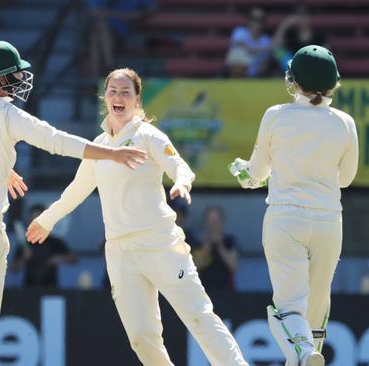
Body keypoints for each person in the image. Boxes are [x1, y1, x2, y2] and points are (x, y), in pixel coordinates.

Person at [0, 41, 147, 365]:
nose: (20, 78)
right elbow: (58, 141)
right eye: (12, 74)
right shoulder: (9, 115)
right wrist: (111, 152)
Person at [27, 67, 247, 365]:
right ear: (104, 97)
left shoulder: (148, 135)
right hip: (120, 252)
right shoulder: (100, 146)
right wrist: (47, 220)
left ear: (137, 98)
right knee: (142, 338)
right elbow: (75, 191)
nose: (118, 97)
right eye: (113, 92)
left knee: (198, 317)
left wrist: (182, 182)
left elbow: (179, 165)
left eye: (125, 92)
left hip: (160, 244)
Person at [229, 45, 358, 365]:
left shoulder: (276, 115)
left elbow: (256, 174)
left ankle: (301, 351)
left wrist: (241, 170)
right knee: (316, 305)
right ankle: (305, 354)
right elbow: (345, 179)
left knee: (288, 307)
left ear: (293, 80)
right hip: (329, 222)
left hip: (285, 218)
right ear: (334, 83)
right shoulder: (345, 122)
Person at [12, 204, 78, 288]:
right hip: (29, 290)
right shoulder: (25, 244)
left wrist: (60, 258)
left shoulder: (55, 242)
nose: (36, 224)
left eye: (38, 220)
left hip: (51, 289)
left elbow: (74, 259)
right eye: (33, 220)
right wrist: (24, 258)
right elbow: (14, 269)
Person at [191, 206, 239, 292]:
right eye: (211, 221)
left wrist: (220, 246)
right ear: (206, 223)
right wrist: (206, 249)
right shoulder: (199, 243)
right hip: (204, 292)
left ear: (222, 221)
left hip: (227, 292)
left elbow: (234, 267)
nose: (214, 225)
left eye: (216, 221)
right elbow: (194, 267)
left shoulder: (229, 242)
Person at [271, 6, 326, 73]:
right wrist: (285, 25)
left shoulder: (318, 34)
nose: (302, 19)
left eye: (305, 16)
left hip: (312, 65)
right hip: (292, 64)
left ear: (310, 17)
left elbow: (325, 53)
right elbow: (274, 47)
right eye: (300, 17)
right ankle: (292, 74)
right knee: (279, 52)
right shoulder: (290, 33)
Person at [225, 8, 272, 78]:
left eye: (260, 20)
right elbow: (238, 45)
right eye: (253, 19)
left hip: (256, 77)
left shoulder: (266, 40)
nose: (256, 23)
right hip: (235, 76)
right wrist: (258, 50)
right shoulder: (239, 32)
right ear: (248, 20)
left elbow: (266, 62)